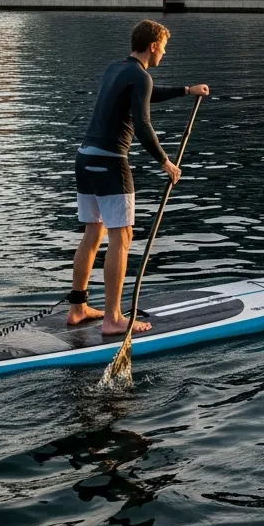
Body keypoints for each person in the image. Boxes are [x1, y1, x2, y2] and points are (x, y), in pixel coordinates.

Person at [68, 19, 209, 335]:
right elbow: (143, 125)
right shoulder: (141, 76)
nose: (164, 54)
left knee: (93, 232)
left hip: (85, 158)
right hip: (111, 164)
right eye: (164, 48)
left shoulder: (116, 69)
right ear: (154, 45)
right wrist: (165, 162)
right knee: (122, 236)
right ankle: (113, 318)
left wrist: (187, 90)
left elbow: (146, 94)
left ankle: (77, 308)